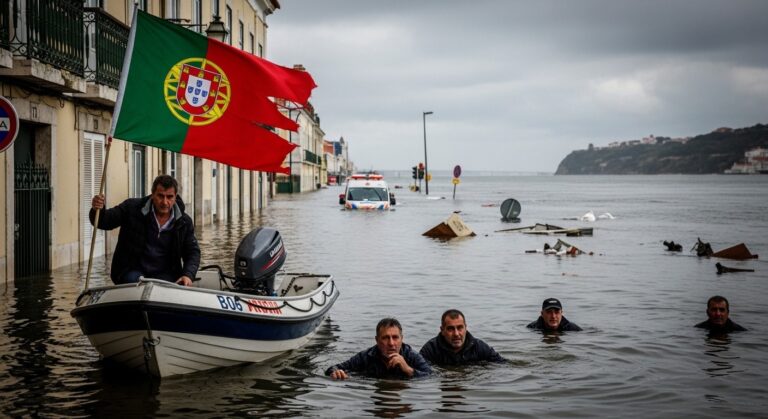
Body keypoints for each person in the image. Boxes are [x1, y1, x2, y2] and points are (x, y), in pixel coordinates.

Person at [90, 174, 200, 286]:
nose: (165, 202)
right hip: (132, 271)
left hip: (166, 274)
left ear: (175, 197)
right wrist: (97, 210)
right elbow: (104, 221)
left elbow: (192, 252)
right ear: (153, 194)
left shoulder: (184, 222)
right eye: (160, 196)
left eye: (169, 197)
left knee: (168, 286)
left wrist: (188, 275)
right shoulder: (131, 208)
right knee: (133, 281)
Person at [325, 318, 432, 380]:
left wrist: (407, 369)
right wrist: (336, 372)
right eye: (385, 338)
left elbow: (430, 376)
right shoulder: (366, 356)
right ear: (377, 340)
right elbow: (333, 368)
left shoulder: (411, 355)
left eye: (395, 338)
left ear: (402, 339)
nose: (391, 343)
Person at [419, 309, 506, 366]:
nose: (456, 334)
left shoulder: (479, 347)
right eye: (450, 329)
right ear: (442, 330)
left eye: (460, 327)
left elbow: (503, 365)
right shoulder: (430, 350)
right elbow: (421, 374)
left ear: (465, 328)